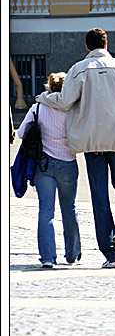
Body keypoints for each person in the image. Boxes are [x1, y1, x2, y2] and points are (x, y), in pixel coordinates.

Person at [37, 28, 115, 268]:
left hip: (92, 142)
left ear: (87, 47)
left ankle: (110, 254)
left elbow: (66, 101)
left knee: (100, 198)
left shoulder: (78, 69)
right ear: (106, 44)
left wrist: (43, 98)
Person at [17, 72, 81, 268]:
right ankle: (72, 255)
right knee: (69, 210)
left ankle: (47, 257)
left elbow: (21, 133)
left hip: (43, 165)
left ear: (50, 88)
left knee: (46, 211)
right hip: (68, 163)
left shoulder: (38, 107)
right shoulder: (72, 109)